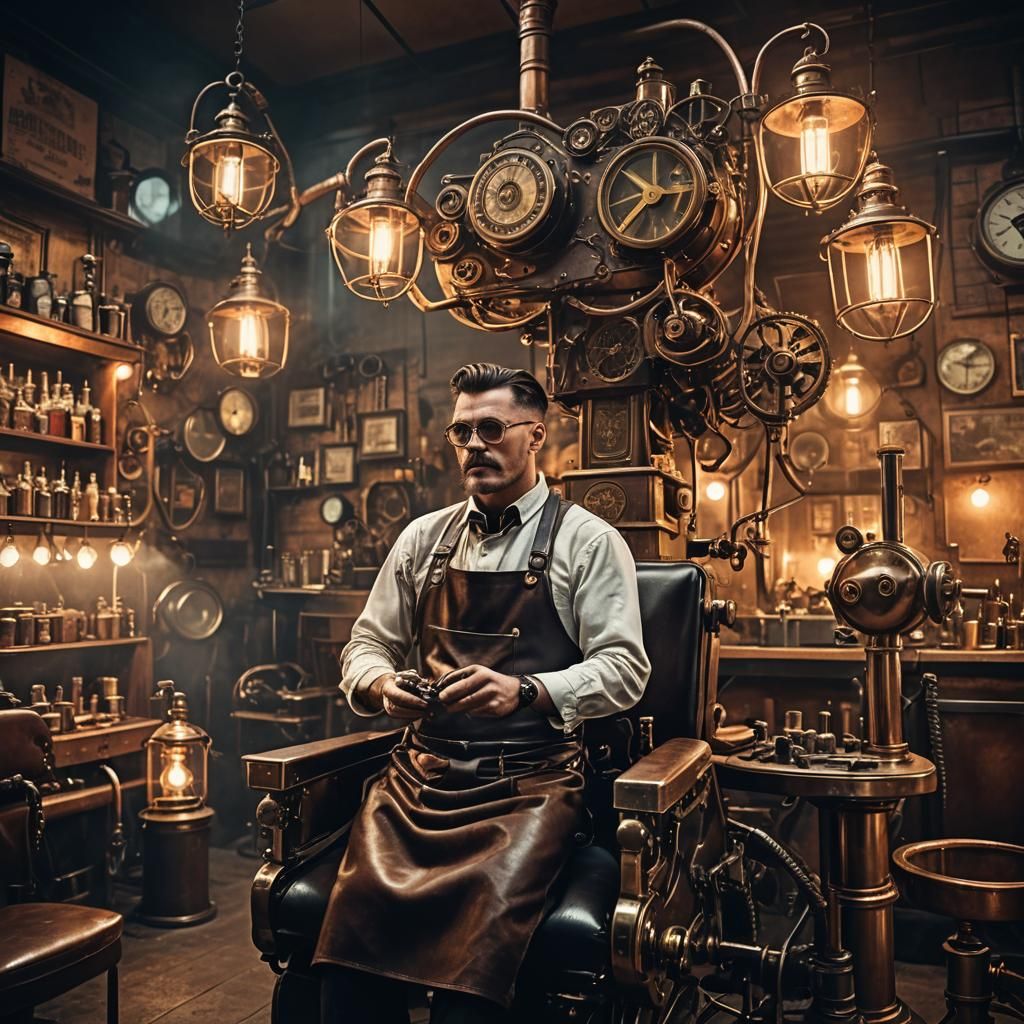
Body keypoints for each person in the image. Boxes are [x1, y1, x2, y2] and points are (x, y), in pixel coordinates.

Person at [314, 363, 650, 1023]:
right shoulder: (422, 539)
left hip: (526, 789)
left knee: (472, 994)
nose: (474, 446)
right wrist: (383, 684)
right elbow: (365, 646)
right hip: (418, 784)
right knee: (348, 977)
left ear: (537, 438)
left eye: (491, 429)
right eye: (461, 433)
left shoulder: (587, 542)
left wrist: (529, 691)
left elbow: (625, 668)